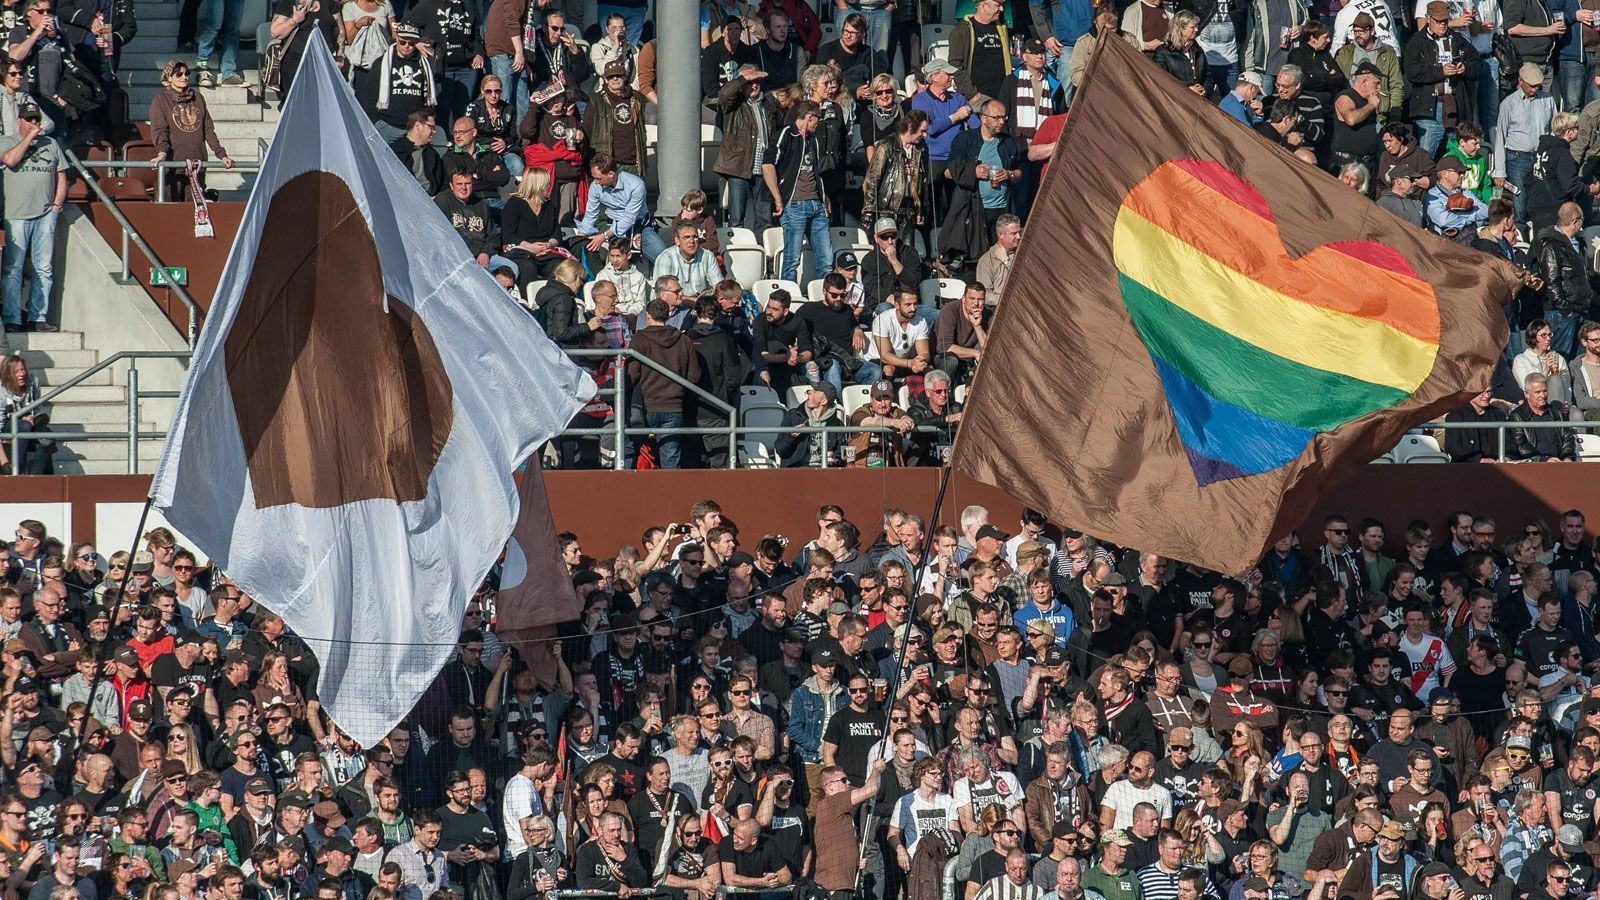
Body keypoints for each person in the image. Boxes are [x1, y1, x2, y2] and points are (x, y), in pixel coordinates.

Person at [0, 105, 64, 335]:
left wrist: (56, 207)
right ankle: (12, 318)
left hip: (46, 213)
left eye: (36, 119)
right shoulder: (7, 141)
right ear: (19, 121)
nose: (34, 123)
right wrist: (28, 138)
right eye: (29, 119)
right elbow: (10, 160)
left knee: (44, 268)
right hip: (16, 215)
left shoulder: (51, 144)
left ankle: (38, 317)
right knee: (13, 269)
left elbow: (61, 175)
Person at [763, 98, 833, 284]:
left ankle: (821, 299)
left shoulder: (814, 140)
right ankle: (788, 298)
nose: (819, 123)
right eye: (818, 118)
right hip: (794, 205)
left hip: (816, 204)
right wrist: (778, 198)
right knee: (791, 260)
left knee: (826, 260)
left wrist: (824, 197)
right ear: (810, 117)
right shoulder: (785, 134)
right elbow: (768, 165)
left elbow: (817, 173)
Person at [628, 299, 701, 470]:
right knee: (670, 457)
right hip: (674, 405)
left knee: (630, 449)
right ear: (668, 315)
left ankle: (626, 492)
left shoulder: (639, 339)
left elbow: (632, 374)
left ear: (648, 316)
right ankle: (672, 495)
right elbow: (694, 376)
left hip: (646, 404)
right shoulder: (683, 340)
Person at [148, 60, 232, 202]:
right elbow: (160, 131)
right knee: (171, 214)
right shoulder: (160, 100)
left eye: (187, 73)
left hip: (197, 165)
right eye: (178, 74)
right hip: (173, 167)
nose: (184, 77)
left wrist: (221, 155)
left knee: (195, 216)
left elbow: (208, 130)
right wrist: (162, 152)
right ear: (169, 77)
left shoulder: (198, 98)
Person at [1507, 372, 1576, 460]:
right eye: (1538, 392)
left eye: (1545, 391)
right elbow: (1521, 445)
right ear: (1527, 394)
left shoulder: (1556, 412)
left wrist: (1567, 457)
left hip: (1559, 463)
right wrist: (1544, 460)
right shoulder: (1517, 416)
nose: (1542, 395)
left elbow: (1567, 438)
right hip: (1533, 466)